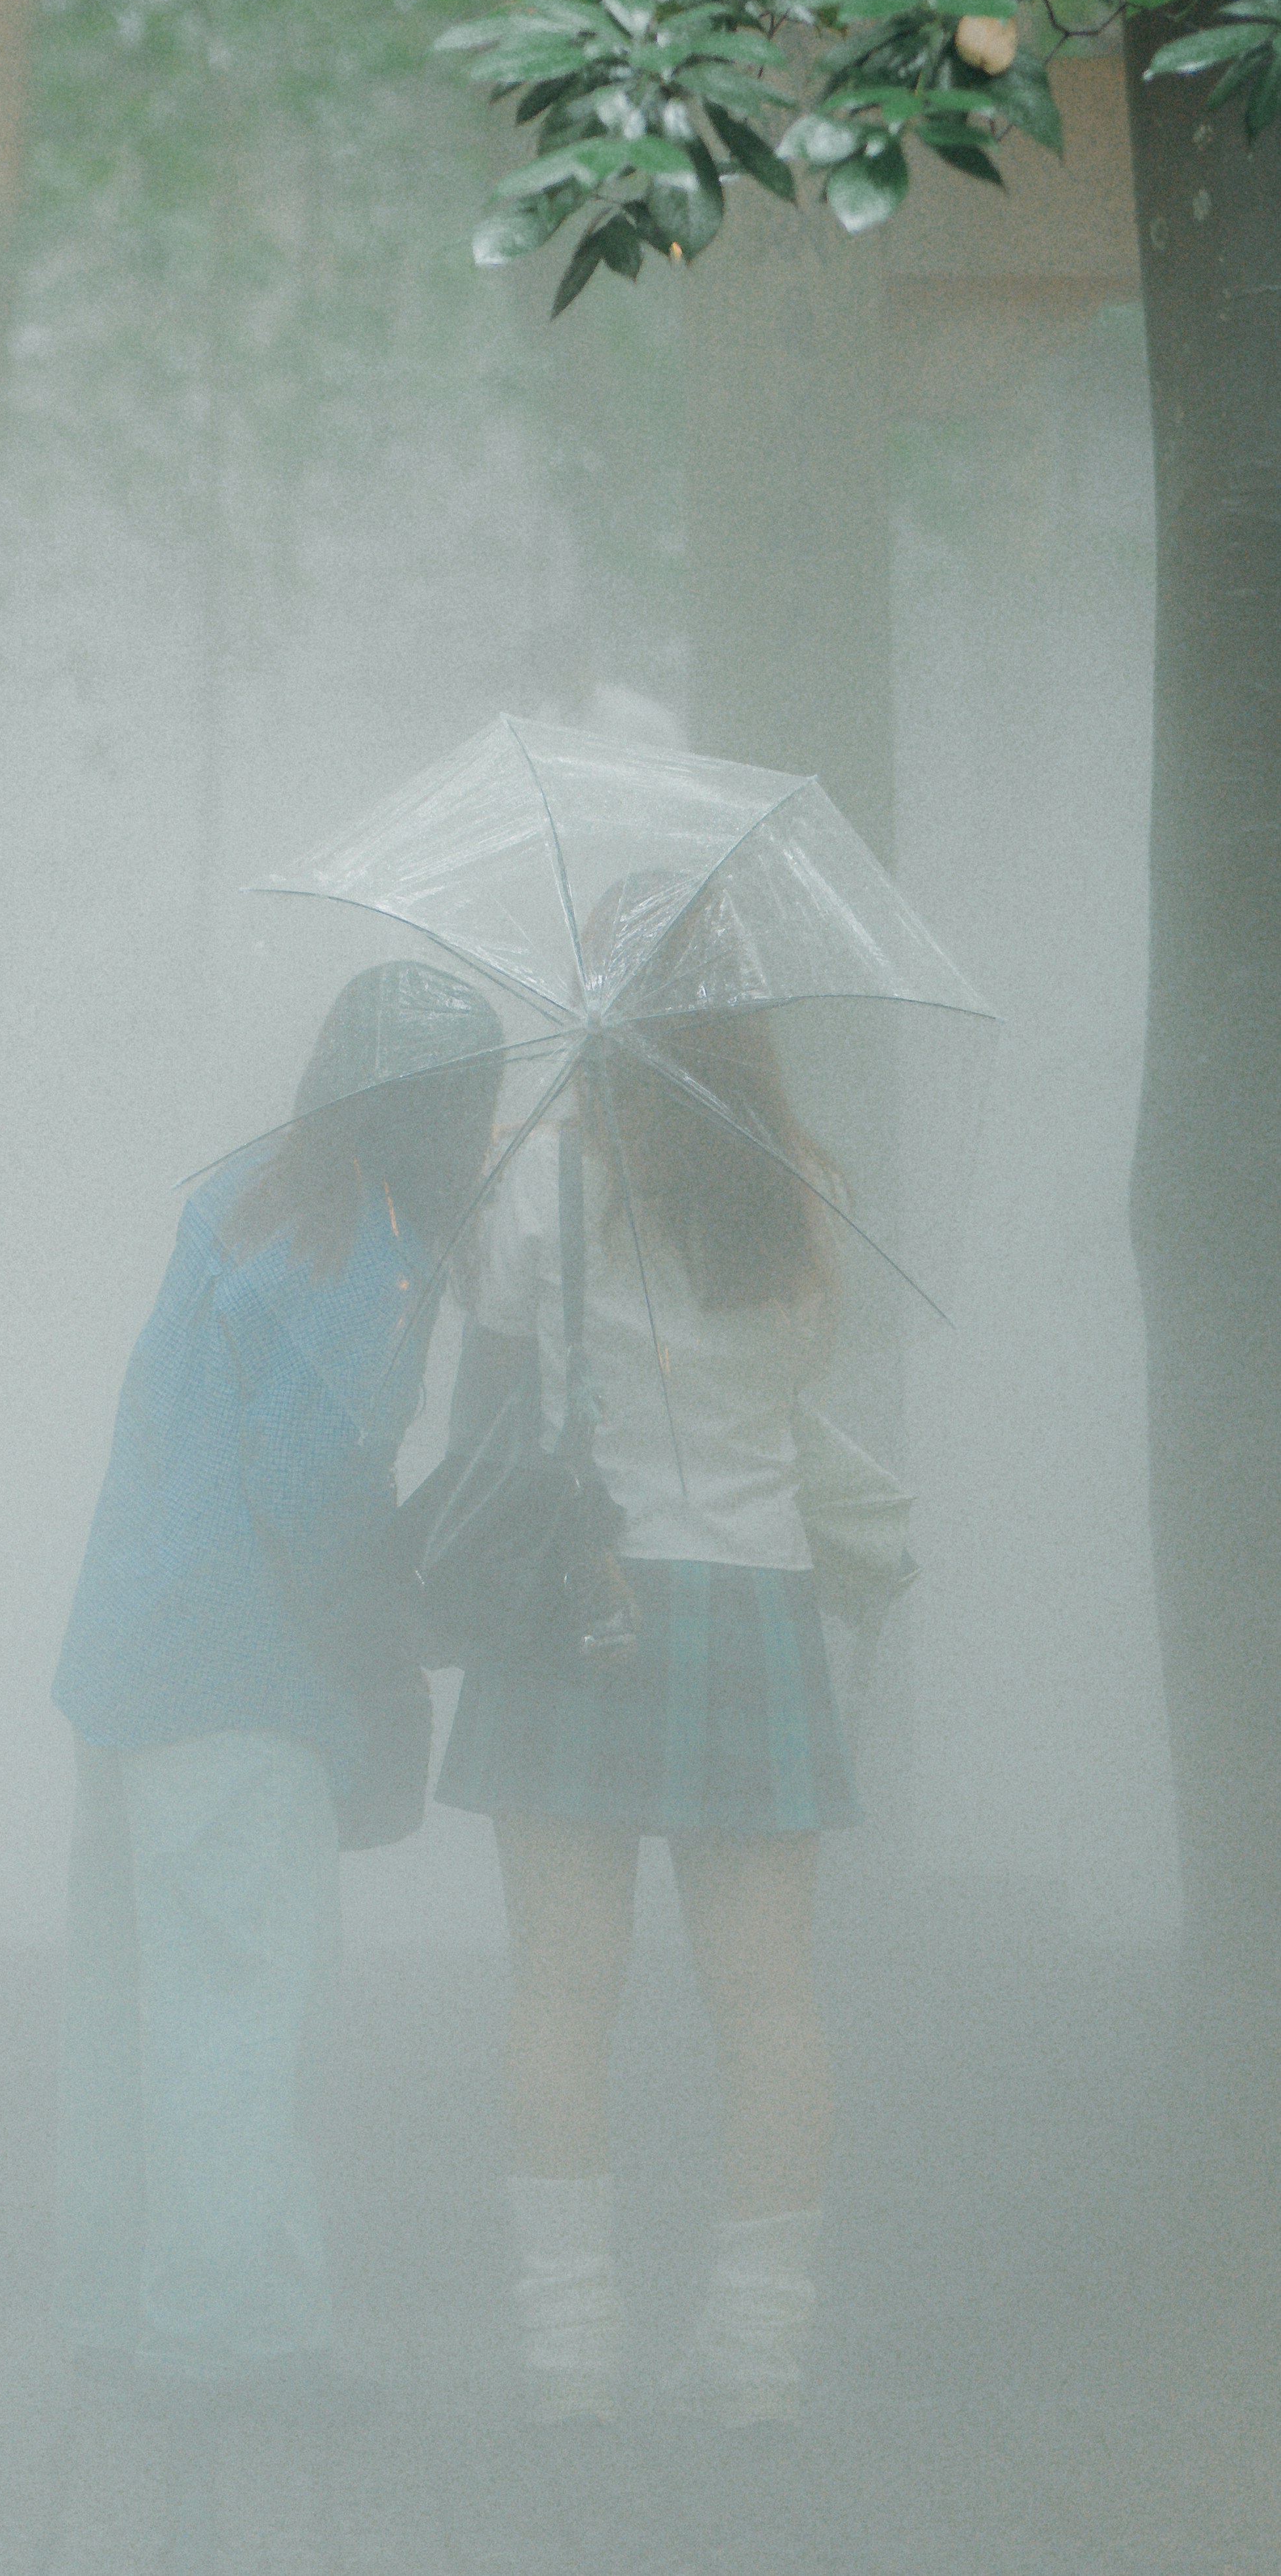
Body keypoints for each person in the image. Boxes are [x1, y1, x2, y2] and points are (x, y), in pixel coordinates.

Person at [48, 960, 505, 2416]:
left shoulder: (246, 1199)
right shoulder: (358, 1258)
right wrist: (405, 1624)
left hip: (132, 1665)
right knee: (244, 2014)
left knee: (136, 2008)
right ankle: (231, 2341)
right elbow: (313, 1503)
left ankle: (118, 2311)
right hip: (244, 1679)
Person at [435, 924, 858, 2430]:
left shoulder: (541, 1170)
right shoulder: (795, 1179)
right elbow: (798, 1383)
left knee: (560, 1986)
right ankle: (757, 2362)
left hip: (579, 1601)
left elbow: (491, 1383)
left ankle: (572, 2356)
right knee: (768, 2000)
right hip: (751, 1599)